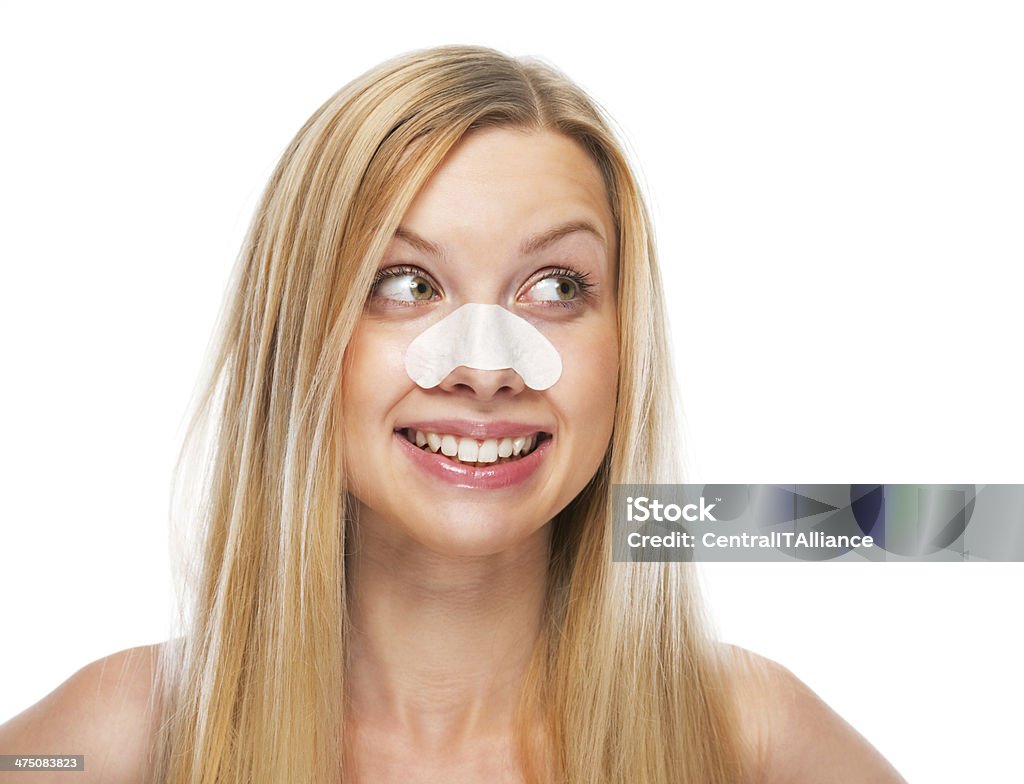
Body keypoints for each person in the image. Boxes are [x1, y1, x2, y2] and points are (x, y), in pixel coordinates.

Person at [0, 45, 906, 783]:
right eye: (405, 283)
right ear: (301, 338)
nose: (485, 366)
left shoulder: (751, 741)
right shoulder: (113, 743)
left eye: (557, 286)